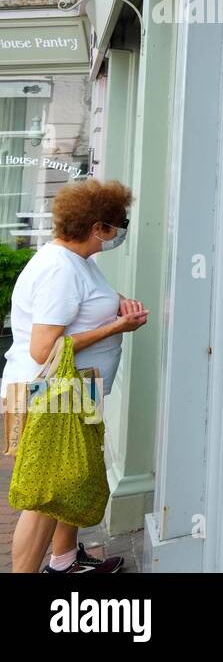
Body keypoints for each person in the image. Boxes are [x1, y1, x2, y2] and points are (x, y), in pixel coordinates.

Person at [2, 179, 148, 573]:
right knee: (46, 496)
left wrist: (119, 304)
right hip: (46, 393)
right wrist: (116, 329)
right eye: (118, 224)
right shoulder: (59, 270)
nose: (121, 232)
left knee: (68, 481)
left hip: (72, 391)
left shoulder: (77, 261)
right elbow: (44, 349)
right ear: (97, 227)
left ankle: (64, 562)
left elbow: (89, 300)